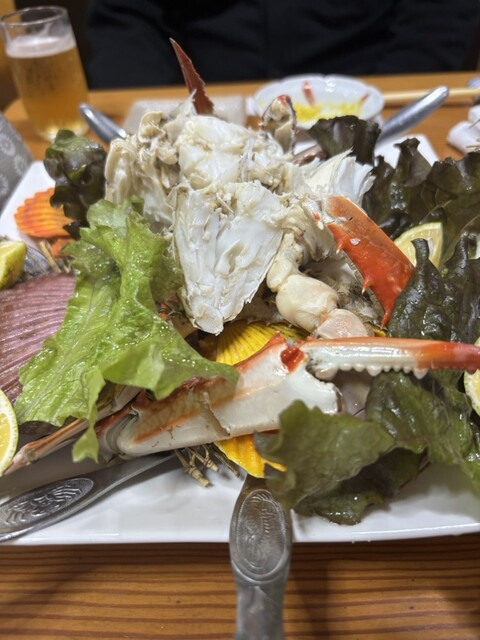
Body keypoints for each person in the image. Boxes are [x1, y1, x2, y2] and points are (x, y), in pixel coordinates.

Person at [85, 0, 480, 89]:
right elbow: (124, 14)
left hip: (366, 91)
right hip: (204, 97)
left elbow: (439, 13)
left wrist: (382, 104)